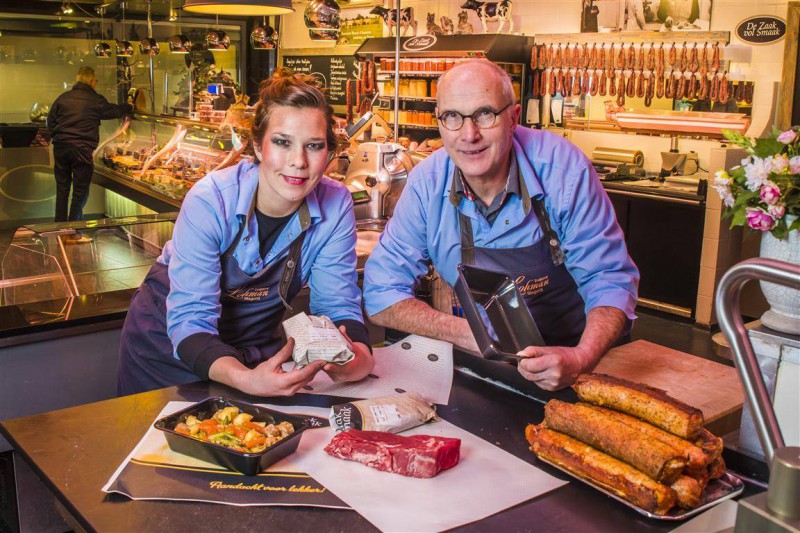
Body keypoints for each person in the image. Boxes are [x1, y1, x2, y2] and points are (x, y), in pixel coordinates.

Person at [363, 60, 639, 391]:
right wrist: (469, 334)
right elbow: (381, 292)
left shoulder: (564, 170)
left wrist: (581, 358)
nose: (469, 135)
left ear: (513, 117)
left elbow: (608, 278)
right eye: (452, 117)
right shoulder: (427, 185)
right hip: (489, 363)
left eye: (484, 114)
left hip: (582, 362)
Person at [117, 68, 374, 396]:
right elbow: (191, 321)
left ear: (329, 152)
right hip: (167, 351)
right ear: (257, 146)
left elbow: (337, 305)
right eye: (282, 142)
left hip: (254, 352)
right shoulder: (211, 200)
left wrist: (359, 356)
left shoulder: (336, 203)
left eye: (314, 146)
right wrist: (245, 380)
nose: (298, 161)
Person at [47, 66, 132, 242]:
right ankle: (74, 232)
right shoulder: (95, 99)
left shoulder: (63, 98)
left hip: (61, 147)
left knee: (62, 189)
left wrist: (60, 134)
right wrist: (129, 106)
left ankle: (60, 230)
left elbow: (51, 121)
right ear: (92, 81)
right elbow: (113, 111)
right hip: (82, 149)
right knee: (80, 191)